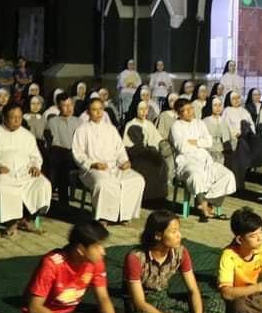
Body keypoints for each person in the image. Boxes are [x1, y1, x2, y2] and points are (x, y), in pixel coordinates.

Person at [21, 221, 130, 313]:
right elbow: (34, 309)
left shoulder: (96, 262)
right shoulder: (52, 264)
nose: (103, 251)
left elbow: (103, 298)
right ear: (80, 249)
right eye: (97, 246)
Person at [122, 210, 224, 313]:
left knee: (215, 302)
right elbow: (140, 303)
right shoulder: (135, 258)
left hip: (165, 301)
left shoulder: (181, 252)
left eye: (179, 230)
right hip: (145, 307)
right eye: (173, 231)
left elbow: (193, 290)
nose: (179, 235)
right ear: (158, 235)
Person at [0, 103, 52, 237]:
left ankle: (27, 219)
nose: (17, 120)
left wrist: (36, 166)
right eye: (13, 117)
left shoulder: (27, 135)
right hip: (2, 173)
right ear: (4, 118)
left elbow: (35, 156)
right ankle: (11, 223)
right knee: (1, 187)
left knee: (43, 184)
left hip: (25, 172)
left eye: (19, 117)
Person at [71, 98, 145, 226]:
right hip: (92, 169)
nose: (98, 113)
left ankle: (124, 215)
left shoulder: (111, 129)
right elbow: (78, 153)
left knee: (137, 179)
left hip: (114, 167)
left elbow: (120, 149)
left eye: (100, 109)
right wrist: (92, 164)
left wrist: (125, 161)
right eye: (94, 110)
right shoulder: (82, 130)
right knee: (103, 183)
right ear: (88, 112)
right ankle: (104, 216)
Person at [170, 98, 235, 222]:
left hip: (205, 159)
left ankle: (205, 201)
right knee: (196, 175)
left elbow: (209, 142)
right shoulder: (176, 126)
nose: (190, 112)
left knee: (227, 175)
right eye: (186, 110)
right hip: (186, 161)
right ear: (179, 113)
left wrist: (195, 142)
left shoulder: (199, 123)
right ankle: (205, 209)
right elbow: (182, 147)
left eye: (191, 109)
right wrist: (200, 143)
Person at [123, 100, 171, 199]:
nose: (144, 112)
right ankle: (145, 197)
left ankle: (157, 197)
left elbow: (158, 140)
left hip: (150, 152)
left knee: (161, 164)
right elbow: (127, 145)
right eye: (141, 109)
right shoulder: (130, 124)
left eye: (146, 109)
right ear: (136, 110)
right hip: (136, 154)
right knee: (147, 166)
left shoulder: (149, 124)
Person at [45, 95, 81, 202]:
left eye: (70, 105)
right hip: (59, 154)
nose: (68, 108)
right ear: (59, 107)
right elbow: (54, 143)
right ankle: (61, 201)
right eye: (64, 105)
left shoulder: (79, 121)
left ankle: (61, 201)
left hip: (76, 155)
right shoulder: (53, 121)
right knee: (60, 160)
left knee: (62, 163)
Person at [202, 96, 232, 165]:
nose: (218, 108)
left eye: (220, 105)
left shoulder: (223, 121)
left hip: (222, 152)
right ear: (210, 106)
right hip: (208, 152)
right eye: (215, 105)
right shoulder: (205, 121)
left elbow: (227, 139)